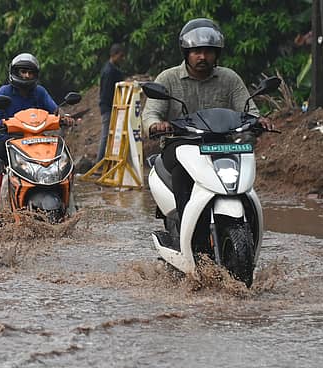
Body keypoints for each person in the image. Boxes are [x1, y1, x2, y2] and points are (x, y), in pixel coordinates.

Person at [141, 18, 271, 224]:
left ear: (216, 54)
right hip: (180, 146)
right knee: (182, 172)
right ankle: (185, 221)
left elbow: (249, 111)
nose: (203, 56)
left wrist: (259, 121)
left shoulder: (230, 79)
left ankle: (250, 222)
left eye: (209, 51)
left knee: (244, 171)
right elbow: (150, 115)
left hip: (221, 146)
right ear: (186, 53)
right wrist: (156, 125)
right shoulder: (168, 79)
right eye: (197, 51)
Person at [0, 53, 74, 219]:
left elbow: (56, 110)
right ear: (14, 72)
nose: (26, 76)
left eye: (30, 72)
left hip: (38, 141)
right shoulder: (5, 91)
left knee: (65, 159)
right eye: (23, 72)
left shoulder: (39, 92)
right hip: (8, 140)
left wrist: (65, 118)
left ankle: (70, 203)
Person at [97, 43, 126, 162]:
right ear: (114, 55)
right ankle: (100, 162)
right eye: (121, 56)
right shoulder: (110, 71)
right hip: (108, 107)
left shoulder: (110, 69)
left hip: (109, 106)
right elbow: (108, 92)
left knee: (110, 135)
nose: (122, 59)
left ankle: (106, 161)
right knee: (106, 135)